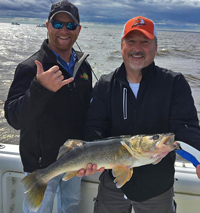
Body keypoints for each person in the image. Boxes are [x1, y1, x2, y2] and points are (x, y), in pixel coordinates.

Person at [78, 16, 200, 213]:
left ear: (156, 47)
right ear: (122, 46)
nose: (137, 48)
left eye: (145, 42)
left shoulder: (173, 83)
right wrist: (90, 157)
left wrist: (198, 157)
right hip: (112, 184)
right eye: (131, 41)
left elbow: (186, 127)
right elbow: (95, 128)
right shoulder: (105, 85)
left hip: (157, 187)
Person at [4, 0, 93, 212]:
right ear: (47, 26)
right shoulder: (29, 68)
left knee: (71, 205)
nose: (64, 30)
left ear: (78, 30)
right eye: (58, 24)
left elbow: (89, 112)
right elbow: (14, 118)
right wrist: (39, 88)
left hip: (75, 159)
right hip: (41, 164)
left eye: (70, 25)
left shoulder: (84, 68)